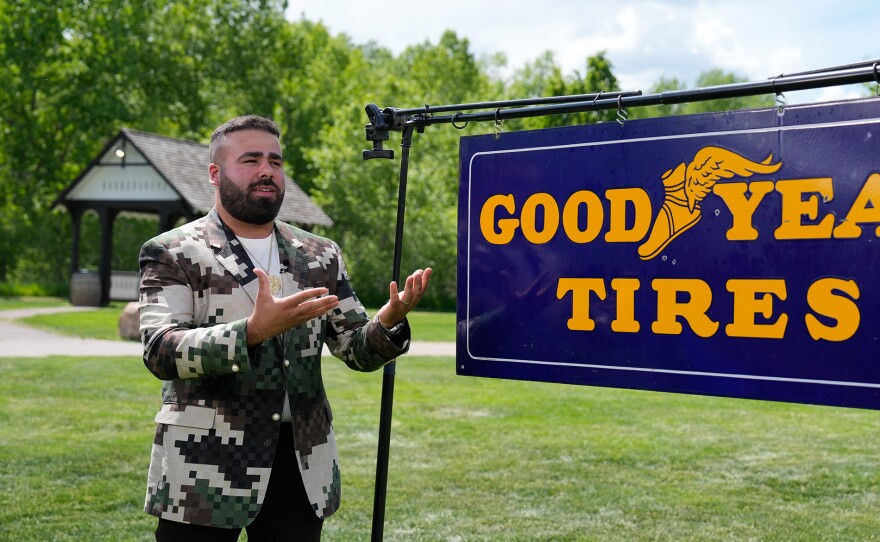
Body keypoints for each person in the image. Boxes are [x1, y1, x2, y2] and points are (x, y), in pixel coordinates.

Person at [138, 114, 431, 541]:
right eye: (251, 160)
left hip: (300, 463)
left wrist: (387, 322)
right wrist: (250, 333)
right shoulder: (173, 251)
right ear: (215, 174)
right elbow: (160, 350)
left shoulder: (319, 254)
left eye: (275, 162)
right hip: (202, 465)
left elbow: (355, 348)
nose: (266, 171)